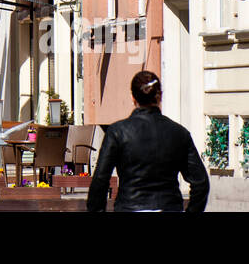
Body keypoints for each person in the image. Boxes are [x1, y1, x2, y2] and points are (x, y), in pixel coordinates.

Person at [87, 71, 209, 213]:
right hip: (169, 205)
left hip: (130, 205)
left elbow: (100, 179)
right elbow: (201, 183)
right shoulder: (179, 133)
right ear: (160, 96)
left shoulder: (118, 132)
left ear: (133, 97)